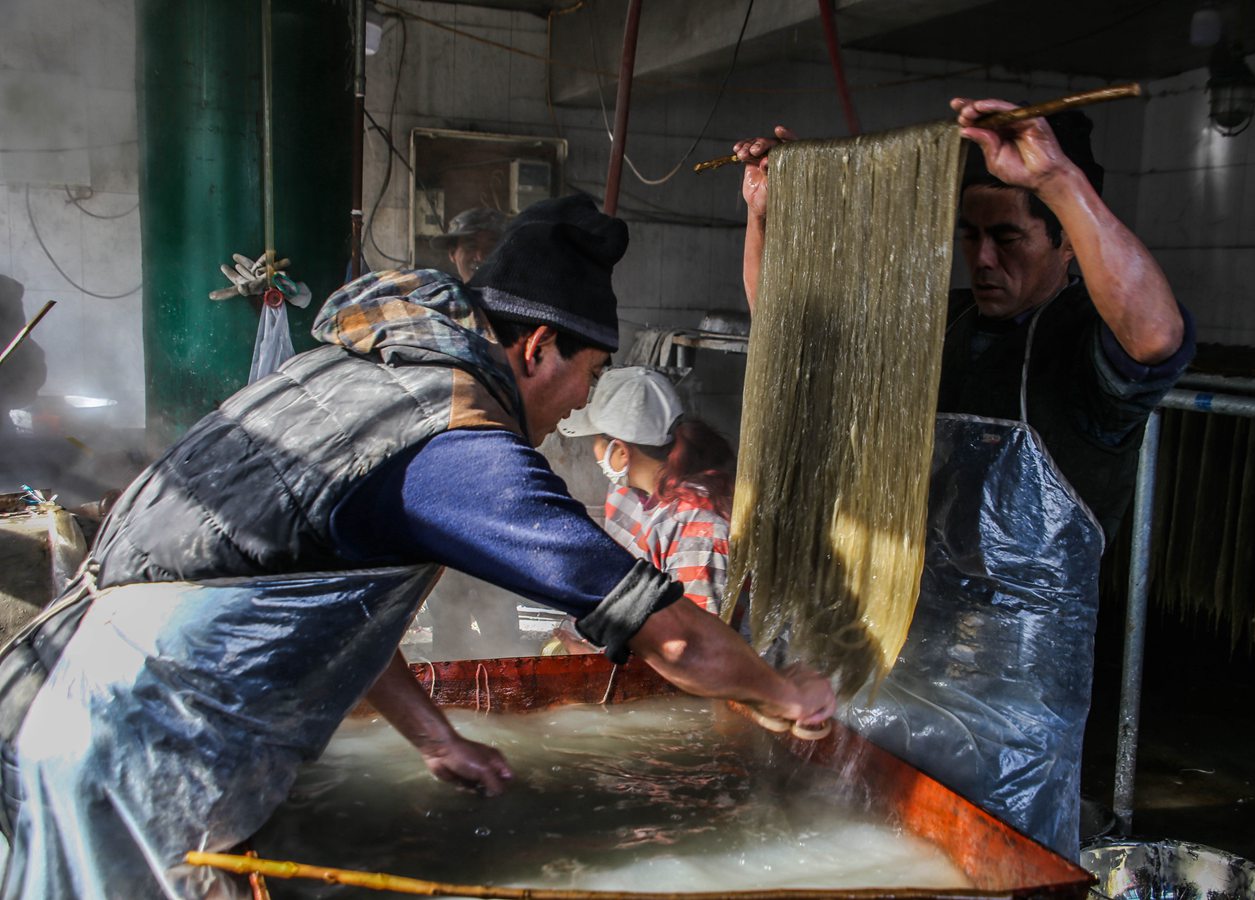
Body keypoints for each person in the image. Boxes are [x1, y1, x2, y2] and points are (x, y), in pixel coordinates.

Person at [0, 195, 835, 899]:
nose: (581, 404)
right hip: (140, 748)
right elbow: (671, 633)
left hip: (79, 708)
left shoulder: (356, 374)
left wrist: (435, 738)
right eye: (589, 373)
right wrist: (782, 692)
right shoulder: (455, 440)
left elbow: (323, 611)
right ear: (538, 349)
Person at [734, 98, 1194, 540]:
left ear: (1068, 240)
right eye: (970, 236)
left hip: (1027, 618)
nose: (983, 259)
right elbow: (784, 330)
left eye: (1008, 238)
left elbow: (1155, 337)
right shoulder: (940, 320)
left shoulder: (1086, 340)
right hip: (912, 599)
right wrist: (768, 216)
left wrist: (1057, 180)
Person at [559, 366, 735, 616]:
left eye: (595, 441)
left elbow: (697, 640)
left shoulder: (700, 529)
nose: (593, 450)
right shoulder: (624, 493)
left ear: (620, 452)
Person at [432, 206, 508, 282]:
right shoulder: (443, 292)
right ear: (452, 254)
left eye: (491, 248)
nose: (480, 258)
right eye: (471, 247)